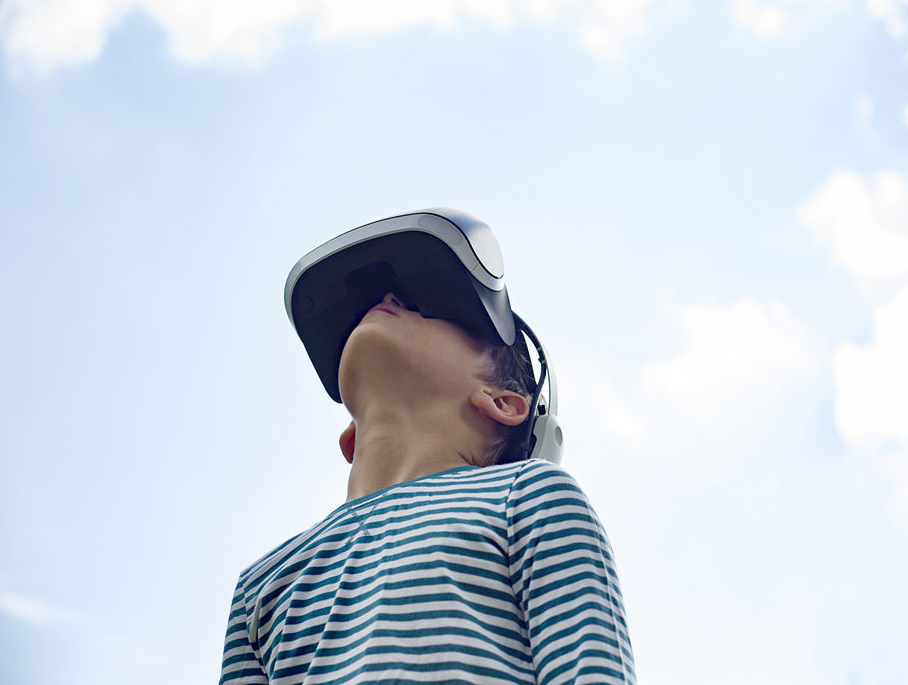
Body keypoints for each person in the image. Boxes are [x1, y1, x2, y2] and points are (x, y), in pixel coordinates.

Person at [219, 211, 634, 684]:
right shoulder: (261, 586)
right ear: (350, 438)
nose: (388, 298)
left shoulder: (529, 497)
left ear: (502, 402)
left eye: (431, 308)